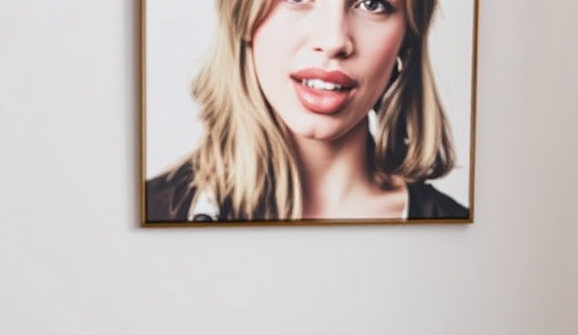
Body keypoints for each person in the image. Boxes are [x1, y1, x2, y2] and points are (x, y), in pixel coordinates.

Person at [145, 0, 468, 222]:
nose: (334, 40)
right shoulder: (150, 211)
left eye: (372, 3)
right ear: (243, 15)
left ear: (407, 43)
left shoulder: (458, 238)